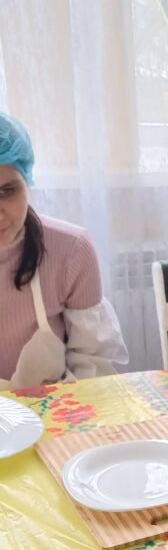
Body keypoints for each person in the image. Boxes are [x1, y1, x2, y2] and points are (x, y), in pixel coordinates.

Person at [0, 112, 127, 389]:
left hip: (58, 408)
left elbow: (92, 365)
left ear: (27, 182)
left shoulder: (71, 251)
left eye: (6, 191)